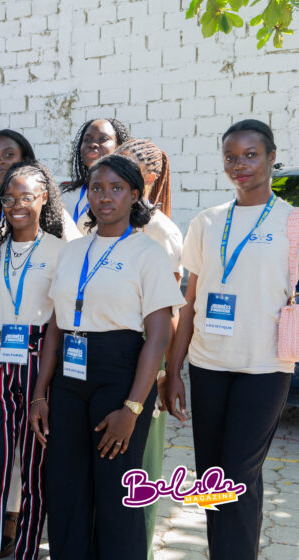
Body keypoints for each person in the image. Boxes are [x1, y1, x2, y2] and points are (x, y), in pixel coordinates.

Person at [30, 154, 184, 559]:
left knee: (117, 493)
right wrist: (40, 394)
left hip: (121, 375)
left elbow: (157, 336)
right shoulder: (72, 250)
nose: (105, 197)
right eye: (97, 188)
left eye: (117, 188)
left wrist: (132, 408)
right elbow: (56, 327)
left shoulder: (148, 253)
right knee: (66, 488)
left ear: (135, 195)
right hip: (69, 374)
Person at [164, 119, 294, 560]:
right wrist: (173, 369)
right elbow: (189, 301)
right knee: (213, 478)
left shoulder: (292, 222)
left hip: (265, 366)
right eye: (231, 156)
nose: (239, 164)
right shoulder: (207, 221)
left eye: (251, 154)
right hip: (207, 363)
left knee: (238, 476)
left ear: (272, 157)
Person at [0, 161, 67, 560]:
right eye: (9, 198)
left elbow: (61, 321)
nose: (16, 205)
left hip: (39, 362)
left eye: (26, 197)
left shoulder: (63, 251)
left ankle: (26, 550)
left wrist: (42, 388)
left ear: (43, 198)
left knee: (35, 473)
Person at [115, 138, 183, 560]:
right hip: (108, 355)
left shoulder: (161, 231)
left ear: (151, 179)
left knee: (141, 460)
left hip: (145, 356)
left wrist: (163, 369)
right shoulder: (102, 220)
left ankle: (138, 546)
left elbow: (169, 312)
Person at [62, 118, 131, 234]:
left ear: (119, 146)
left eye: (103, 139)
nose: (93, 144)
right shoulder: (66, 196)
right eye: (87, 140)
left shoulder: (127, 195)